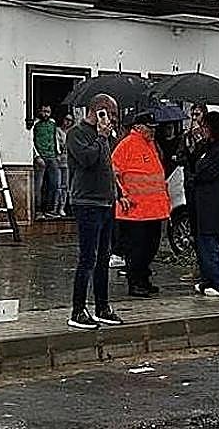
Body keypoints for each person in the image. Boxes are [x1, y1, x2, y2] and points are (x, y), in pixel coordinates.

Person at [65, 94, 124, 329]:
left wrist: (117, 192)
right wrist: (101, 137)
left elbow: (106, 167)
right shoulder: (76, 134)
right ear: (100, 111)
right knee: (87, 257)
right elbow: (87, 160)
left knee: (103, 257)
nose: (113, 119)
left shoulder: (105, 137)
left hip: (105, 202)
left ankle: (102, 306)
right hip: (87, 202)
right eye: (111, 114)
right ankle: (78, 310)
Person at [112, 111, 172, 297]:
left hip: (153, 210)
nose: (152, 131)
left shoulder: (151, 145)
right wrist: (122, 195)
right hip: (135, 210)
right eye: (149, 128)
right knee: (137, 249)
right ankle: (135, 282)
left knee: (150, 247)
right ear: (138, 127)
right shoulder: (127, 144)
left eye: (154, 128)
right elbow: (113, 172)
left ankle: (143, 279)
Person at [188, 111, 219, 296]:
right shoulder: (207, 148)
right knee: (202, 245)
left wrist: (195, 178)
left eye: (206, 127)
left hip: (212, 206)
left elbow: (205, 173)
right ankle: (208, 279)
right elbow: (192, 163)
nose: (203, 130)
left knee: (211, 246)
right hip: (200, 205)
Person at [31, 105, 58, 218]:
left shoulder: (52, 123)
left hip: (52, 156)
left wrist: (57, 152)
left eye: (48, 112)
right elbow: (30, 140)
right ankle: (38, 210)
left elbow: (54, 137)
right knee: (39, 185)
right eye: (44, 111)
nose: (46, 114)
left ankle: (49, 209)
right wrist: (36, 156)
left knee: (54, 184)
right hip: (40, 157)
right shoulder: (35, 124)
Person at [53, 114, 72, 217]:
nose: (68, 122)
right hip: (59, 160)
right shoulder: (57, 131)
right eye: (66, 119)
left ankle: (62, 207)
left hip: (67, 162)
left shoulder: (71, 133)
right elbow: (57, 145)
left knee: (65, 187)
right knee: (58, 185)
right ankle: (55, 207)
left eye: (70, 120)